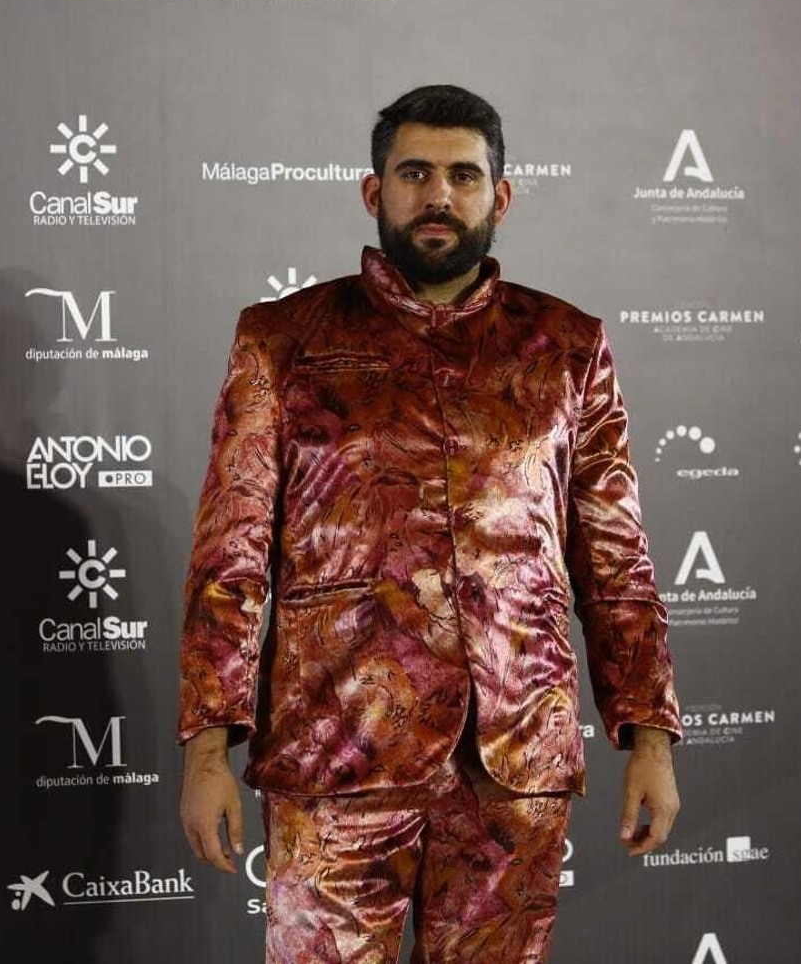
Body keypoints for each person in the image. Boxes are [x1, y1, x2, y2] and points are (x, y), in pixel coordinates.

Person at [177, 84, 682, 964]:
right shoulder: (282, 340)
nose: (438, 196)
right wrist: (207, 751)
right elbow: (232, 555)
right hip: (335, 752)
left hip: (514, 763)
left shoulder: (568, 347)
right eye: (415, 174)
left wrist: (651, 737)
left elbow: (615, 561)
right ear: (374, 192)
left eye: (462, 176)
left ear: (501, 195)